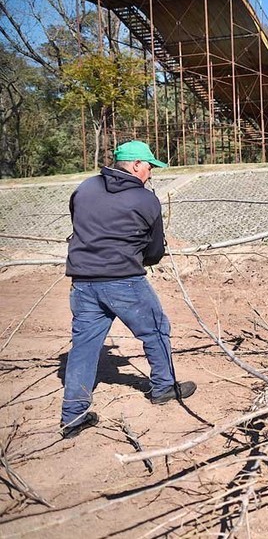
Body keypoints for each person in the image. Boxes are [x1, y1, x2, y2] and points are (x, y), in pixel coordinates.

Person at [60, 140, 196, 439]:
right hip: (124, 279)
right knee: (156, 330)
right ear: (135, 165)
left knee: (83, 346)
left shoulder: (85, 188)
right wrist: (139, 258)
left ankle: (73, 415)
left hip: (82, 281)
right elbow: (155, 251)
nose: (151, 173)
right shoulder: (145, 199)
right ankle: (163, 387)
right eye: (149, 167)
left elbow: (80, 227)